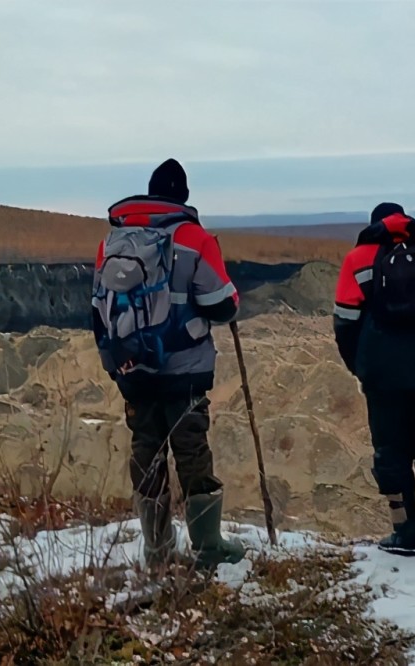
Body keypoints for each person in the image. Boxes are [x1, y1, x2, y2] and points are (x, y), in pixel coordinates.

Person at [91, 158, 245, 569]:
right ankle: (208, 546)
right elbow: (221, 304)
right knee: (191, 449)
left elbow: (97, 307)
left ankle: (156, 549)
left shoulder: (113, 241)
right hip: (185, 368)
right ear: (184, 196)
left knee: (146, 448)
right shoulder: (196, 239)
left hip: (134, 369)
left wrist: (116, 361)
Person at [332, 202, 415, 558]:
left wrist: (360, 367)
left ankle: (404, 534)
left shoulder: (357, 258)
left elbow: (345, 323)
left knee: (391, 450)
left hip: (383, 370)